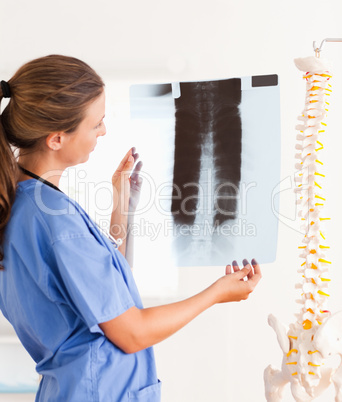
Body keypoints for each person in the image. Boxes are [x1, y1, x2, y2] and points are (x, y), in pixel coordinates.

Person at [0, 55, 262, 402]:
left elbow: (106, 290)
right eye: (96, 124)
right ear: (57, 138)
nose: (103, 131)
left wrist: (121, 203)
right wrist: (217, 293)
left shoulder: (24, 202)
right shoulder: (54, 218)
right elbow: (131, 332)